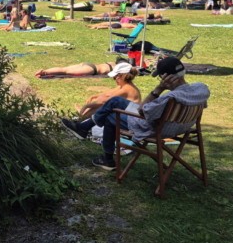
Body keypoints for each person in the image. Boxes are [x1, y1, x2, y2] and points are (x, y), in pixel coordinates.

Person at [63, 57, 210, 171]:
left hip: (154, 128)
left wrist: (158, 89)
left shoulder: (169, 98)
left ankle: (107, 157)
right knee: (115, 102)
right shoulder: (200, 89)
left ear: (166, 78)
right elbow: (204, 104)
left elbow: (142, 110)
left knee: (111, 117)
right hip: (183, 127)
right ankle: (85, 128)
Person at [73, 62, 142, 120]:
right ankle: (84, 117)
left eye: (114, 78)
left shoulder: (127, 89)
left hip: (129, 118)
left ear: (121, 76)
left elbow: (106, 101)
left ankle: (83, 119)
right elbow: (107, 94)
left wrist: (86, 106)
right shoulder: (123, 86)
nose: (114, 80)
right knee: (99, 104)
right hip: (124, 113)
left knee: (101, 106)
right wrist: (93, 97)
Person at [35, 61, 121, 78]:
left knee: (65, 69)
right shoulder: (116, 68)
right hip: (91, 69)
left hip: (89, 64)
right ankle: (44, 72)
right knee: (65, 71)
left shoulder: (112, 63)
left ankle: (45, 71)